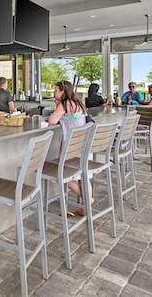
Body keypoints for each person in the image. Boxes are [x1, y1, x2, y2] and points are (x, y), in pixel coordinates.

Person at [47, 80, 92, 215]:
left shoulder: (65, 103)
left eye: (56, 90)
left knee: (62, 175)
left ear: (62, 91)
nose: (54, 92)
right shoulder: (78, 102)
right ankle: (86, 205)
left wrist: (57, 109)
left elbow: (51, 121)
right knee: (84, 177)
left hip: (71, 151)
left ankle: (88, 200)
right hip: (83, 147)